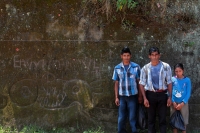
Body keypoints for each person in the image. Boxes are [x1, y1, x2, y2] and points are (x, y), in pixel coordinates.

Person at [139, 46, 172, 133]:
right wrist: (145, 98)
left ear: (159, 55)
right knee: (151, 119)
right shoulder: (145, 68)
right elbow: (141, 84)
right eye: (152, 55)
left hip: (163, 94)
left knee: (162, 119)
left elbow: (169, 83)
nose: (154, 57)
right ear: (149, 56)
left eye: (156, 55)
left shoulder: (166, 66)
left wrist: (169, 97)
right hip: (150, 95)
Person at [112, 46, 141, 133]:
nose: (126, 57)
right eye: (124, 55)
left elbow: (139, 82)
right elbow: (116, 83)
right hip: (122, 97)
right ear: (121, 56)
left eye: (128, 55)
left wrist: (140, 96)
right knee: (121, 118)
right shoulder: (117, 68)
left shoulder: (136, 67)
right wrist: (116, 97)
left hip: (133, 96)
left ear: (130, 56)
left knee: (132, 117)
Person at [170, 63, 191, 133]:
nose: (178, 73)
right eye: (176, 71)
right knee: (174, 121)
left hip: (183, 104)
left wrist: (182, 103)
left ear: (183, 71)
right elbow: (170, 91)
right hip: (174, 104)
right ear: (174, 71)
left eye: (180, 71)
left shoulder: (187, 80)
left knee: (184, 121)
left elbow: (188, 93)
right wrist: (173, 102)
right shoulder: (172, 79)